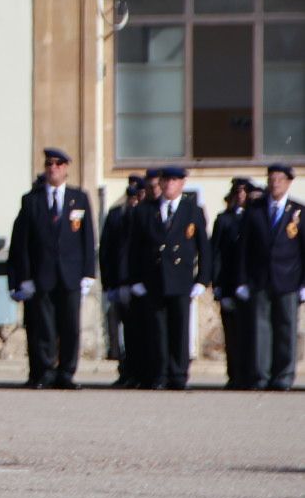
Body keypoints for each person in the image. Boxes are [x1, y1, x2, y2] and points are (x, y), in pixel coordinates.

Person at [10, 148, 97, 390]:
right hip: (43, 273)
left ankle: (66, 373)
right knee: (44, 327)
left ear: (67, 168)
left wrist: (89, 272)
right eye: (49, 163)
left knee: (70, 326)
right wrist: (25, 277)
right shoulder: (32, 199)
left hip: (71, 273)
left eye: (59, 163)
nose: (53, 168)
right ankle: (45, 372)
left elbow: (87, 238)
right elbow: (24, 243)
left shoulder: (78, 198)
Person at [124, 165, 208, 390]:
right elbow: (134, 249)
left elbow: (203, 248)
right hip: (154, 279)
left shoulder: (193, 210)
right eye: (166, 180)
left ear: (182, 184)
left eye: (174, 180)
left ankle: (179, 375)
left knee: (180, 329)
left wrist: (202, 279)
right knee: (157, 331)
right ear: (160, 184)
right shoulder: (145, 210)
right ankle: (159, 374)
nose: (169, 184)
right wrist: (135, 280)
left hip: (180, 280)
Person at [238, 163, 304, 391]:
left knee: (286, 328)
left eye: (279, 179)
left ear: (288, 182)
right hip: (260, 279)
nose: (274, 183)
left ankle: (283, 376)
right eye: (271, 179)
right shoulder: (255, 209)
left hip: (288, 279)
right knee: (261, 329)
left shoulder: (298, 211)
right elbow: (244, 247)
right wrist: (242, 279)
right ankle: (261, 376)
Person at [100, 174, 147, 387]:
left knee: (141, 330)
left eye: (137, 194)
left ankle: (142, 371)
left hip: (140, 284)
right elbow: (107, 250)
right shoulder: (116, 215)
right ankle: (125, 371)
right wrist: (107, 283)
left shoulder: (146, 215)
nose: (133, 199)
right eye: (130, 194)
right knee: (123, 332)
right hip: (120, 282)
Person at [210, 178, 254, 389]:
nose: (242, 196)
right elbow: (216, 253)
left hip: (252, 286)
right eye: (239, 192)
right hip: (229, 284)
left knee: (252, 333)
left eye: (246, 192)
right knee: (233, 334)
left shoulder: (255, 218)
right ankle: (234, 374)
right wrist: (217, 285)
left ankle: (251, 374)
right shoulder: (225, 220)